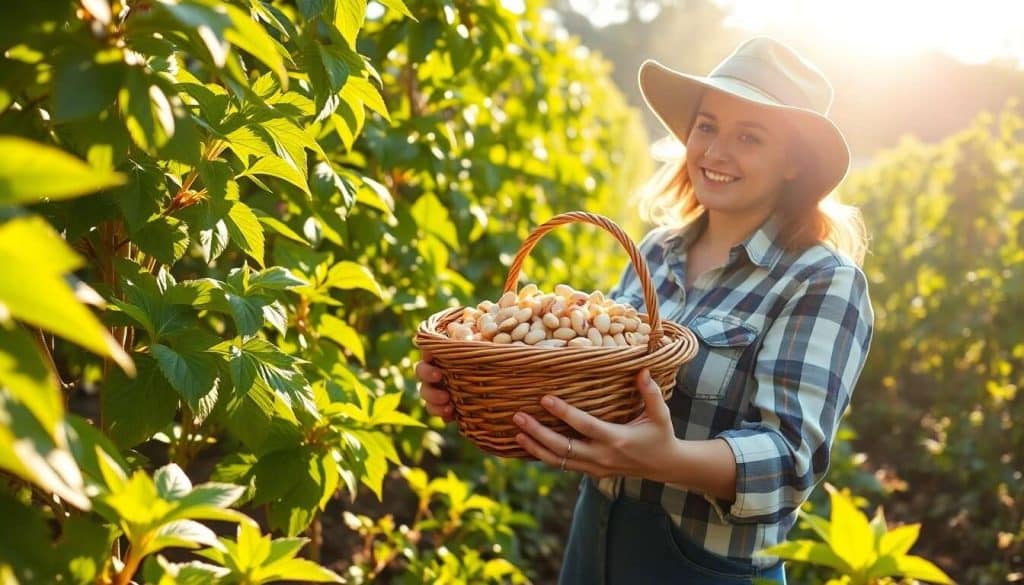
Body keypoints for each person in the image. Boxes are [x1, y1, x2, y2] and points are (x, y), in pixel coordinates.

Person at [416, 36, 874, 584]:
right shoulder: (654, 251)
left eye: (749, 136)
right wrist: (481, 384)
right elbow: (597, 387)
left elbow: (789, 462)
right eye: (706, 126)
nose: (715, 152)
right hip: (596, 540)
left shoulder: (822, 281)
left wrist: (665, 458)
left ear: (795, 164)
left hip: (707, 567)